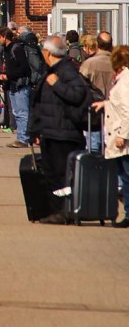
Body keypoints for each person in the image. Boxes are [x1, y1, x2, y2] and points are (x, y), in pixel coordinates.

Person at [28, 35, 88, 224]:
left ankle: (64, 211)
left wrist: (57, 84)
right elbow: (41, 105)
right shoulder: (52, 71)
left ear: (48, 53)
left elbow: (77, 95)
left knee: (61, 175)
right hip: (51, 131)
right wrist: (36, 130)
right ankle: (56, 210)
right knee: (52, 173)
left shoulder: (66, 71)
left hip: (63, 133)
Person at [95, 45, 129, 226]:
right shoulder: (123, 78)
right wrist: (106, 104)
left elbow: (127, 110)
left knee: (127, 177)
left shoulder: (125, 80)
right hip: (121, 132)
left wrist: (122, 135)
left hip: (123, 136)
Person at [79, 33, 113, 153]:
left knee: (93, 149)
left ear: (97, 44)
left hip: (93, 111)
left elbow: (80, 87)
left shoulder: (89, 63)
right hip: (113, 109)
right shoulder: (118, 63)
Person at [0, 26, 31, 147]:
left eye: (0, 37)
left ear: (5, 37)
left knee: (22, 113)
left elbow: (24, 69)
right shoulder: (6, 49)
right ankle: (20, 137)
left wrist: (8, 75)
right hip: (12, 85)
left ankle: (24, 139)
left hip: (21, 85)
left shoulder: (17, 49)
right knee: (17, 112)